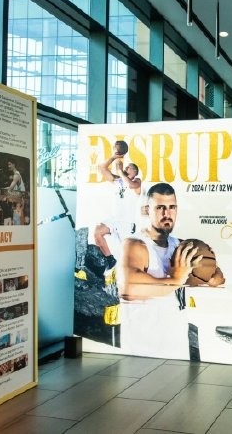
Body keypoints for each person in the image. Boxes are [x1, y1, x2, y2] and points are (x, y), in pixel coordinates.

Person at [117, 182, 201, 358]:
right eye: (160, 207)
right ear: (147, 210)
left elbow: (207, 277)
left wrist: (209, 274)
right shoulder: (135, 244)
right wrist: (176, 279)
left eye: (172, 207)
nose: (167, 214)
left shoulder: (180, 245)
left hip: (177, 348)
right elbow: (129, 289)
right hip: (143, 352)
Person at [94, 140, 142, 270]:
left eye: (129, 167)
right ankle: (110, 259)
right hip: (115, 220)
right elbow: (101, 168)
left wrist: (120, 171)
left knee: (128, 259)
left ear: (135, 172)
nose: (126, 168)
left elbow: (131, 185)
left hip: (127, 224)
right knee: (97, 232)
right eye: (126, 167)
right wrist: (114, 157)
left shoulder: (137, 182)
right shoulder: (118, 180)